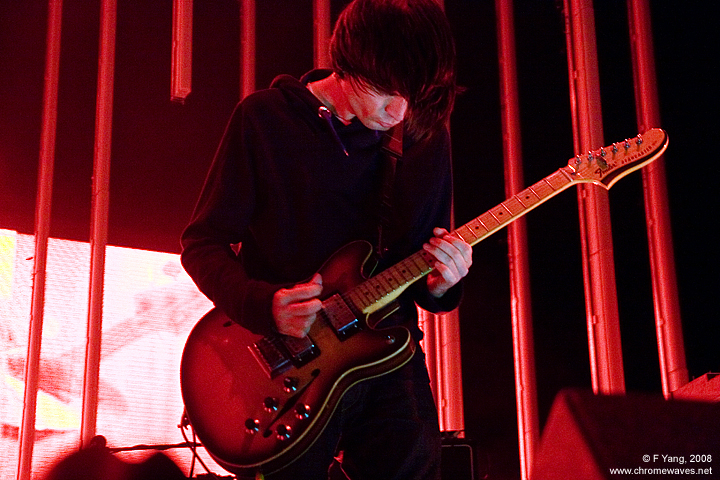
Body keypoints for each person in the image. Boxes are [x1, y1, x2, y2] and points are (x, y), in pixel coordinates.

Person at [180, 0, 472, 478]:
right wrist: (264, 304)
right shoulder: (265, 119)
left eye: (411, 97)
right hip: (286, 360)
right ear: (346, 63)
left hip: (387, 352)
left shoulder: (424, 135)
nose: (398, 112)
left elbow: (423, 269)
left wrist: (443, 282)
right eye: (385, 92)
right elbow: (202, 244)